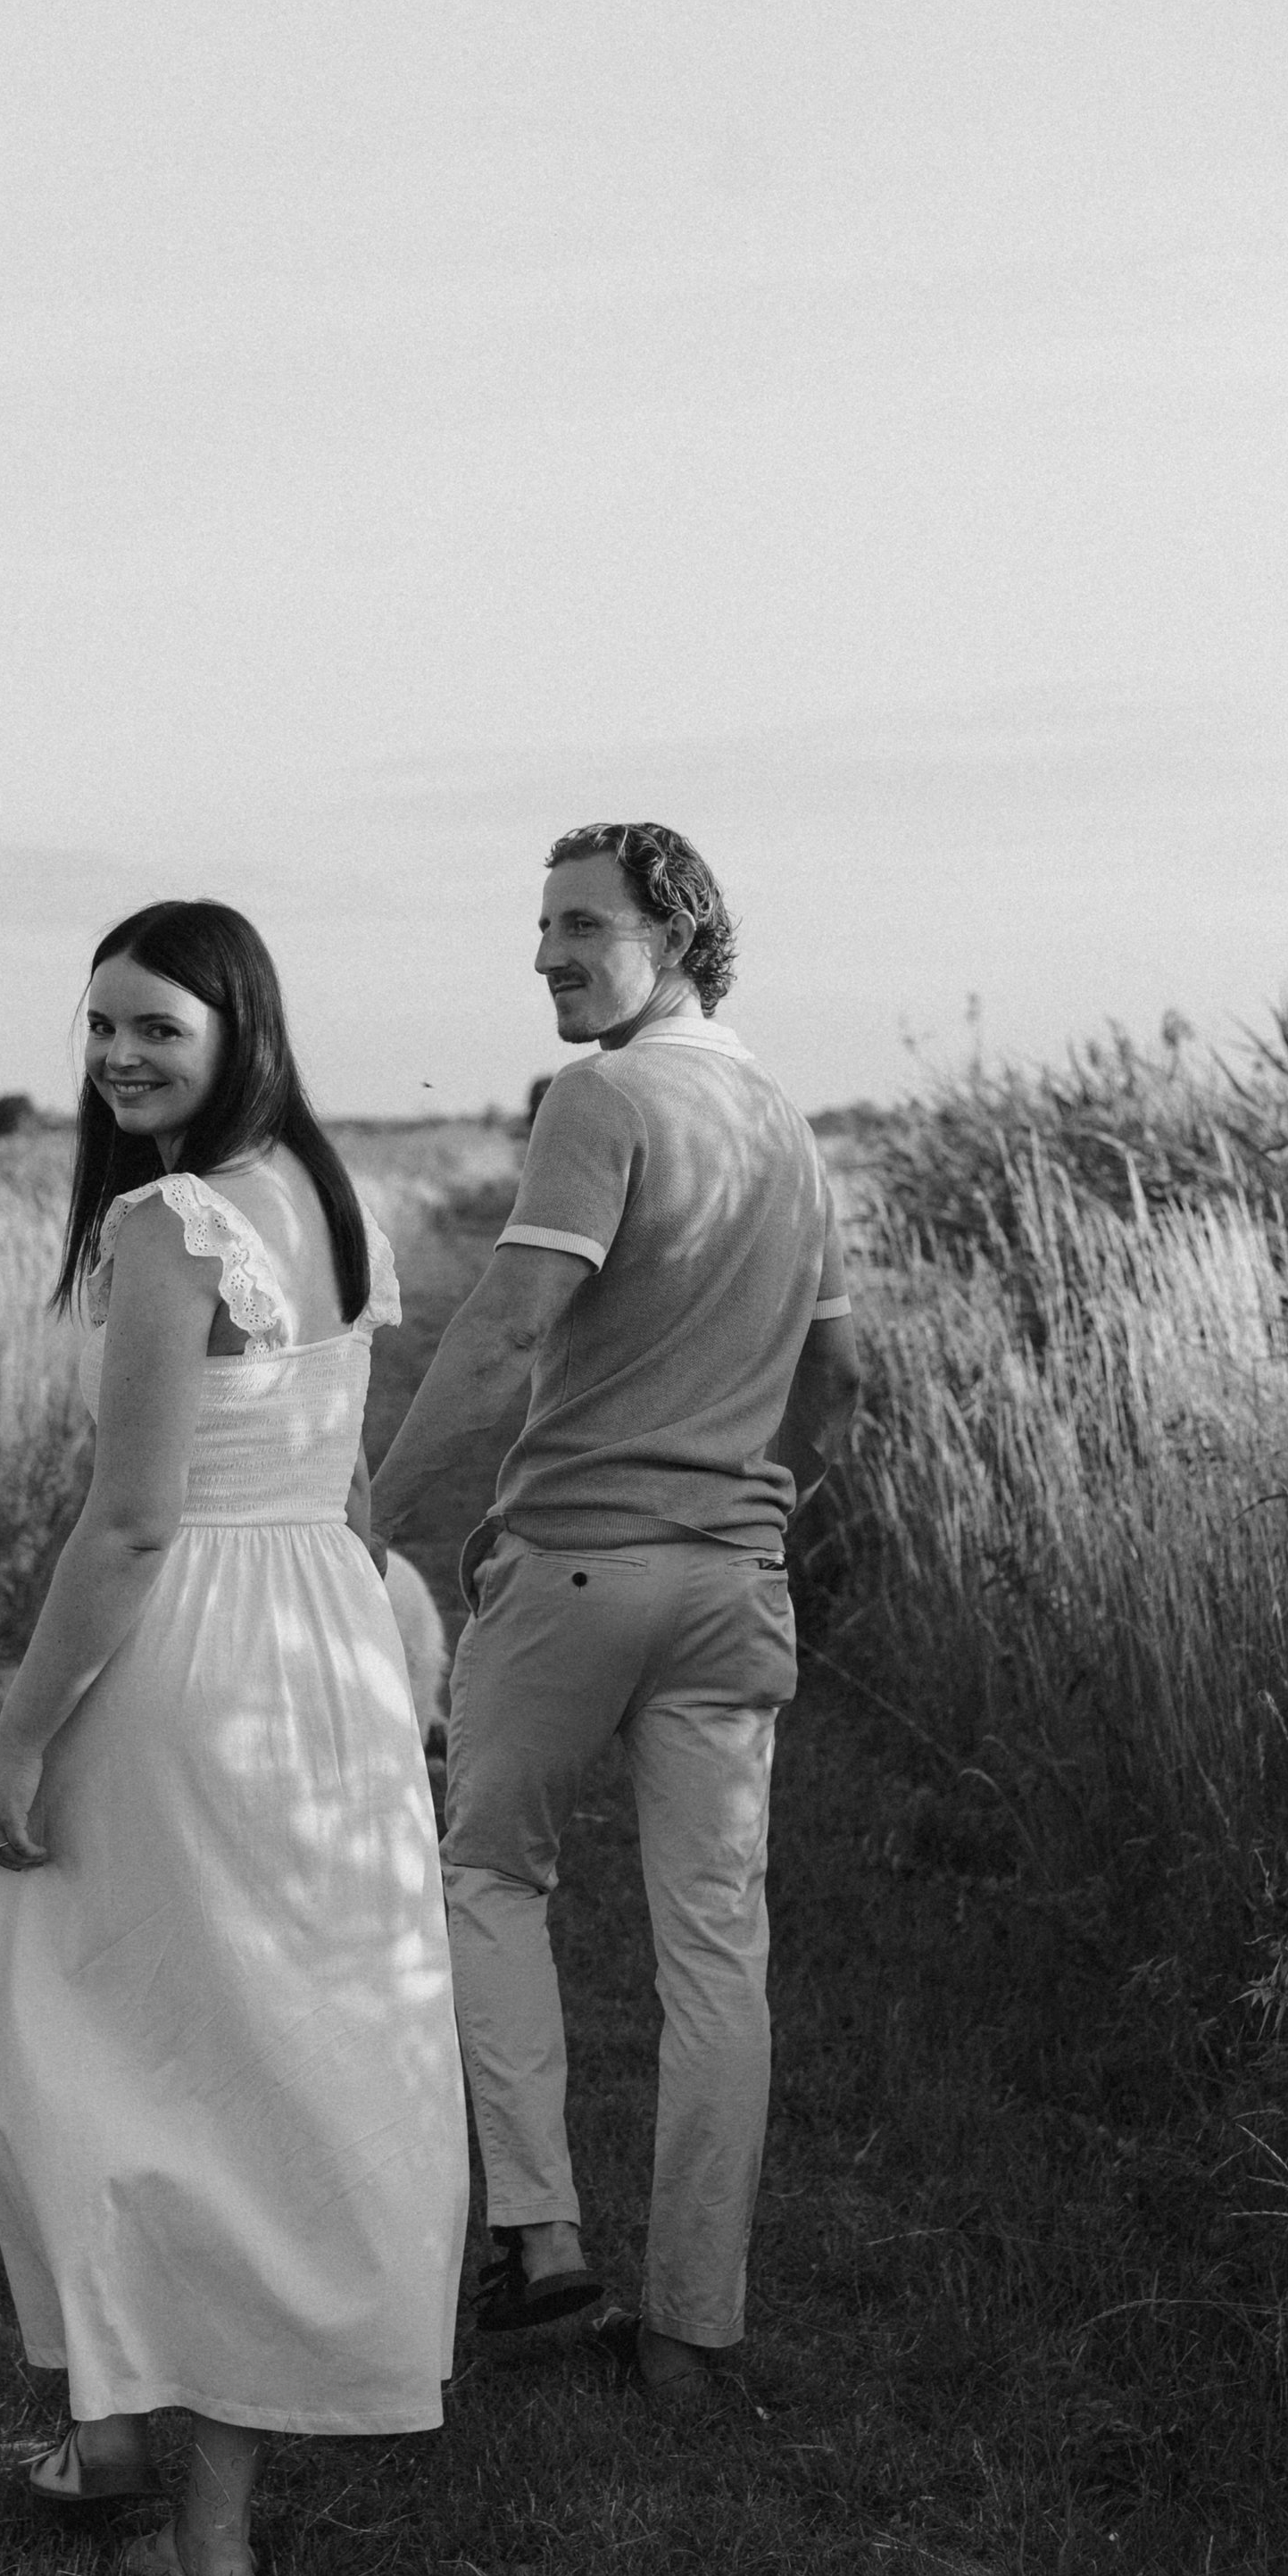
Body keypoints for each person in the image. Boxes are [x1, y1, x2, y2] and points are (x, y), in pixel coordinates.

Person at [0, 900, 468, 2576]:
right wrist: (390, 1647)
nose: (116, 1059)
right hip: (317, 1632)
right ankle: (175, 2482)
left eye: (153, 1031)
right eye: (98, 1027)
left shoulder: (173, 1222)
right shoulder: (333, 1199)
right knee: (270, 2044)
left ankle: (144, 2443)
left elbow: (127, 1525)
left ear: (233, 1027)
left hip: (194, 1641)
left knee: (69, 2023)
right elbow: (348, 1480)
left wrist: (23, 1742)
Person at [370, 822, 860, 2405]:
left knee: (490, 1873)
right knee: (718, 1950)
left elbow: (511, 1328)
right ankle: (696, 2333)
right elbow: (838, 1380)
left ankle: (540, 2227)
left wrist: (369, 1502)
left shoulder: (602, 1097)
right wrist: (752, 1494)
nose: (547, 958)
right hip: (734, 1586)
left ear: (681, 927)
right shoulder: (789, 1126)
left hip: (576, 1567)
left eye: (581, 926)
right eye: (541, 929)